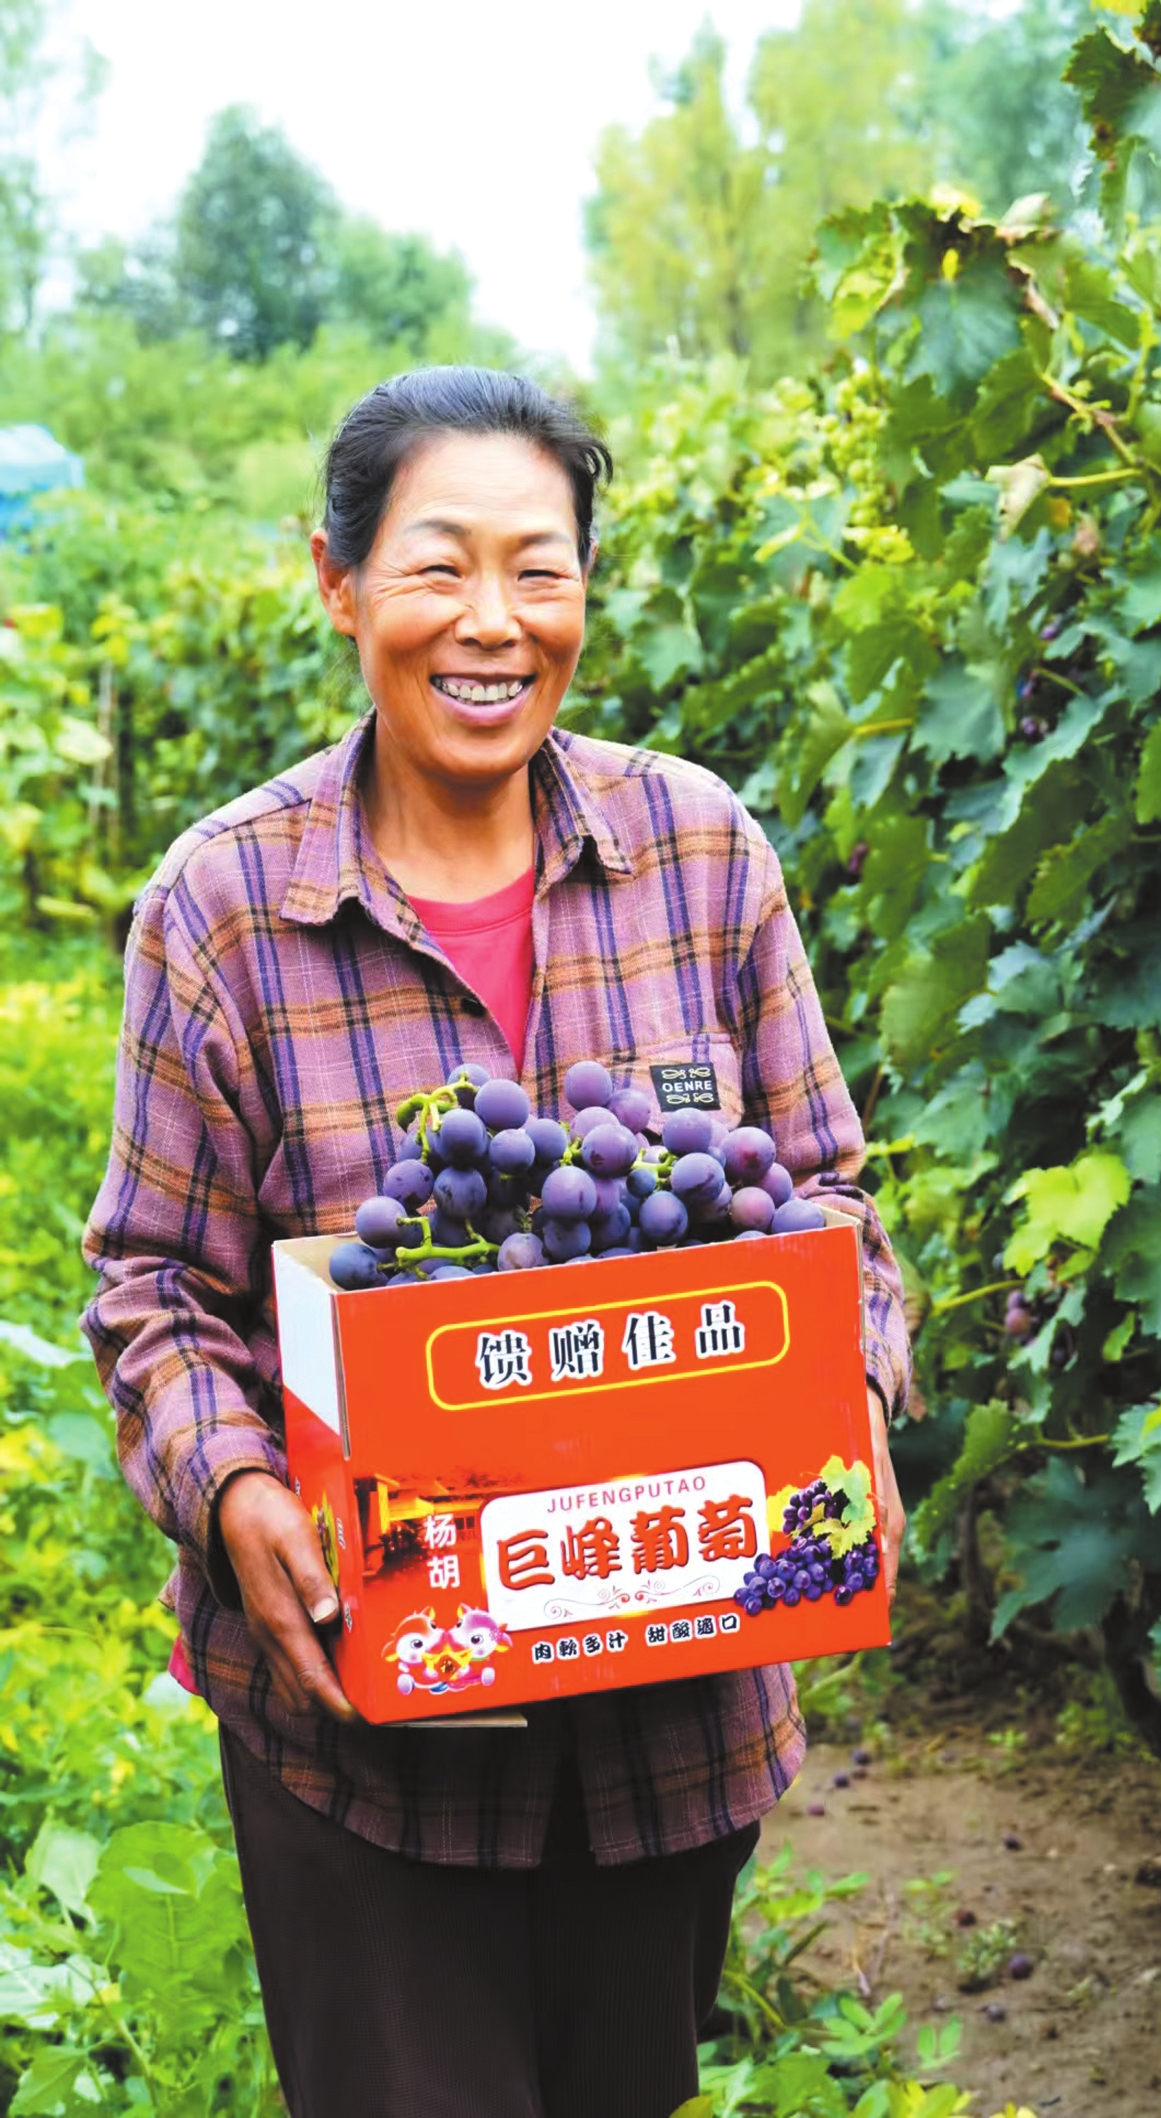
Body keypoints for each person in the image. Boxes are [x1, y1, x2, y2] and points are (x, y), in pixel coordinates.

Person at [82, 366, 909, 2118]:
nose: (491, 621)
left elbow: (827, 1196)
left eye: (540, 570)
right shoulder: (225, 906)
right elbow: (151, 1282)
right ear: (336, 581)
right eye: (437, 565)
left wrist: (842, 1379)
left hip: (672, 1709)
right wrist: (236, 1492)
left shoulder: (700, 850)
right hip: (368, 1736)